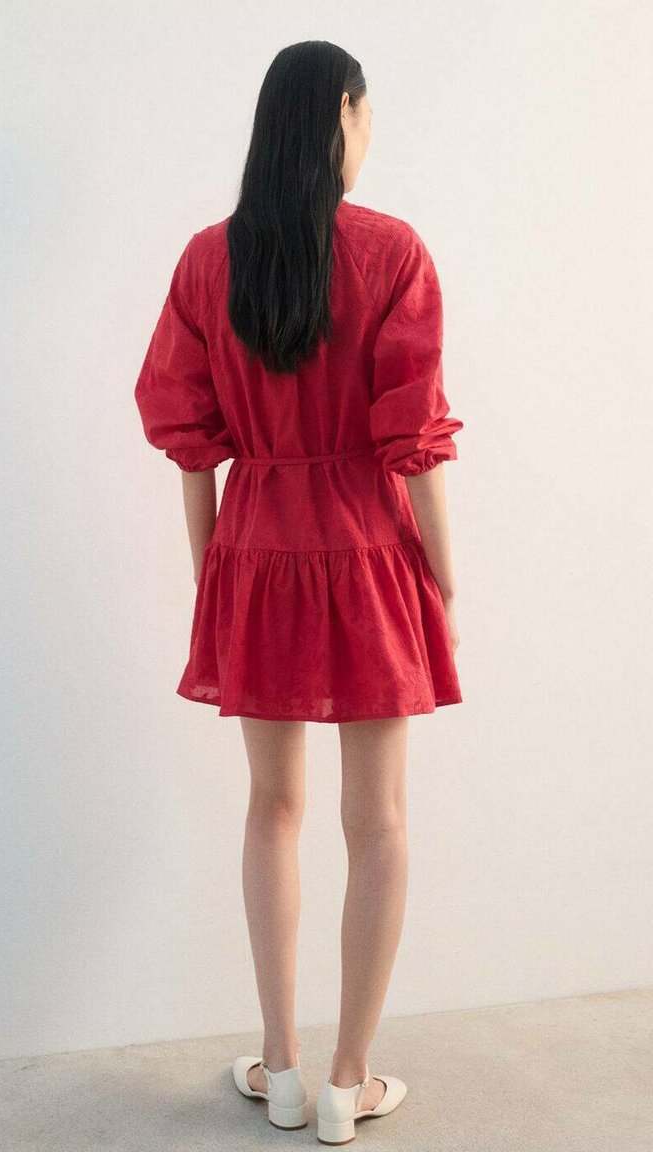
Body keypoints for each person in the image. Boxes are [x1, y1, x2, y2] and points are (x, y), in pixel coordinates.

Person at [134, 40, 463, 1145]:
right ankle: (345, 1084)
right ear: (344, 117)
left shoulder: (206, 260)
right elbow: (414, 441)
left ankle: (277, 1069)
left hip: (256, 547)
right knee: (379, 820)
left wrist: (211, 574)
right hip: (368, 551)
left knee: (272, 808)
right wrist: (444, 574)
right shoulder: (391, 252)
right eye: (366, 117)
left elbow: (189, 445)